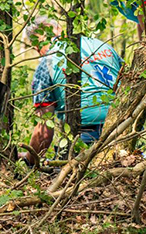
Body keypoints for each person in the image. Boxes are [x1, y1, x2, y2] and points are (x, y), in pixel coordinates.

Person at [26, 17, 122, 164]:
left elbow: (44, 133)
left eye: (37, 48)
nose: (39, 53)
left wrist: (30, 159)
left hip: (84, 136)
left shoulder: (47, 62)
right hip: (123, 127)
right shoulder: (104, 46)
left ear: (40, 40)